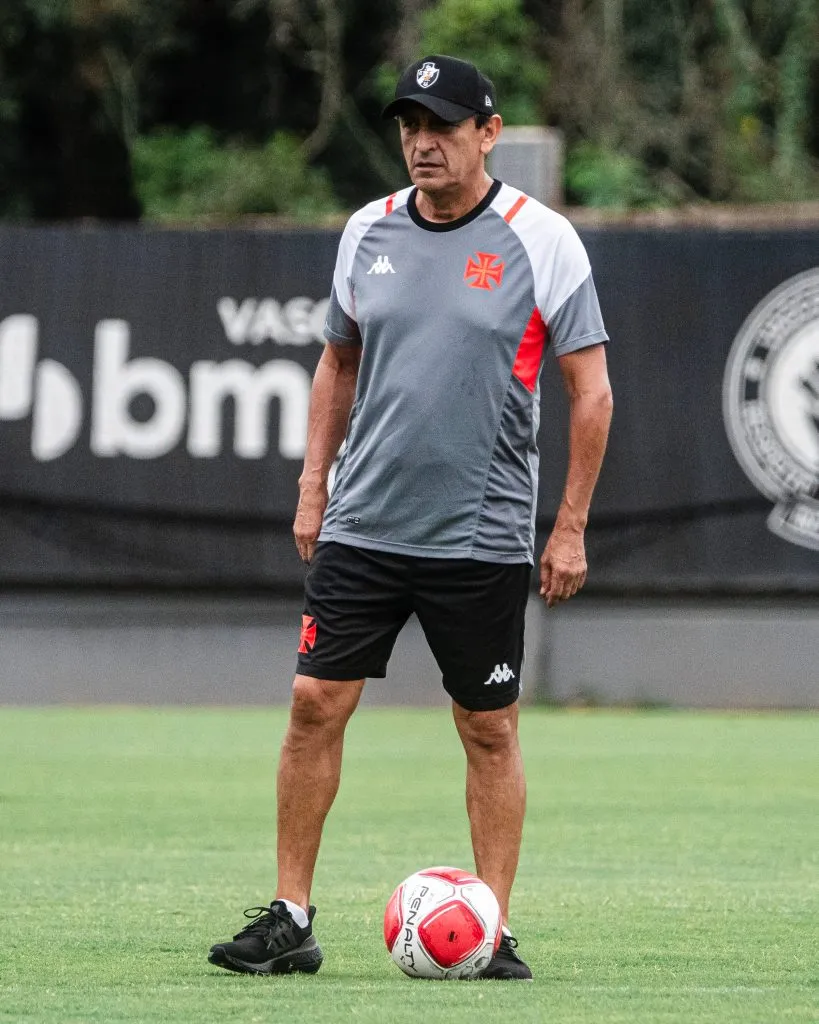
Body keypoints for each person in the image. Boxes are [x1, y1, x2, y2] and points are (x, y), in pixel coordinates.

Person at [208, 53, 613, 982]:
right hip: (362, 522)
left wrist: (570, 525)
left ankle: (493, 925)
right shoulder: (367, 230)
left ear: (486, 133)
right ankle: (290, 916)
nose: (421, 144)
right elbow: (336, 364)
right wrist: (314, 486)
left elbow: (591, 394)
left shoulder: (540, 238)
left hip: (480, 532)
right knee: (313, 704)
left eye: (440, 126)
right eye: (408, 127)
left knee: (488, 727)